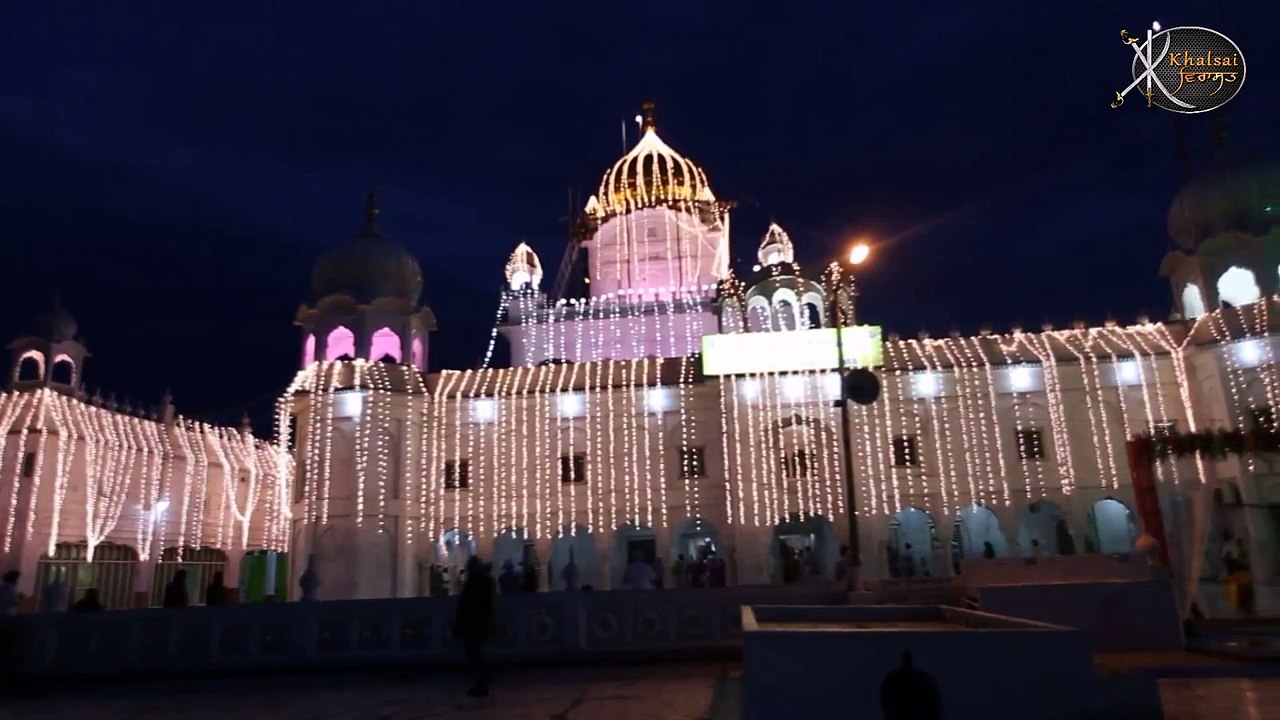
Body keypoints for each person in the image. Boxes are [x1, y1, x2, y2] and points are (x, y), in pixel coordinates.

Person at [454, 556, 496, 698]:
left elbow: (466, 605)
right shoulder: (486, 581)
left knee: (474, 653)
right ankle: (483, 680)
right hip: (481, 622)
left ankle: (482, 682)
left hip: (473, 623)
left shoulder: (473, 582)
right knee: (478, 653)